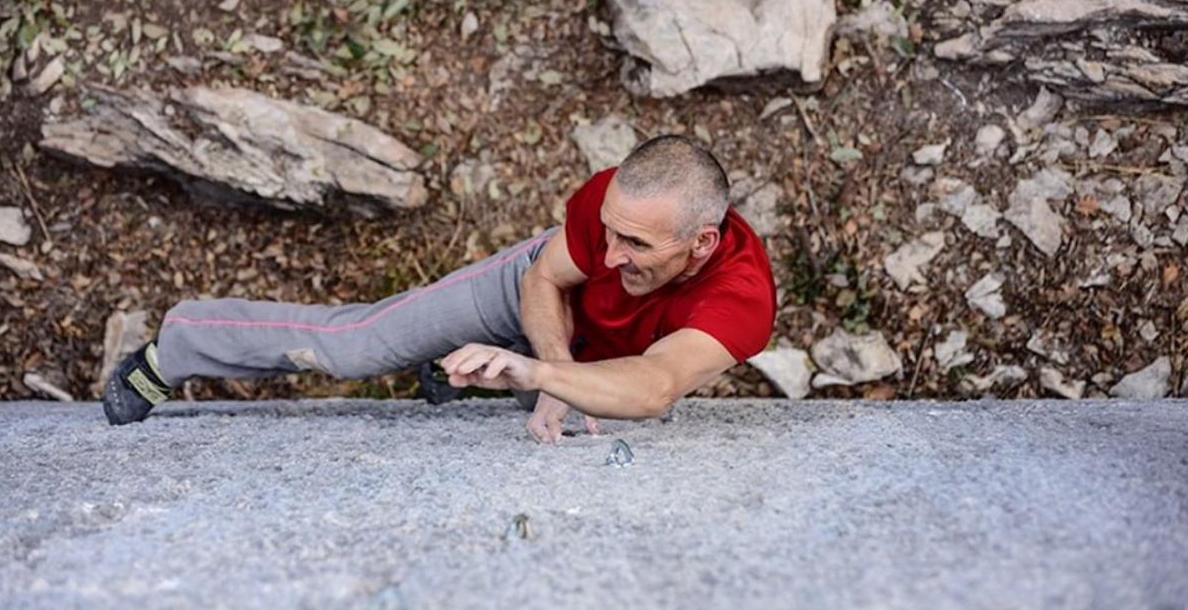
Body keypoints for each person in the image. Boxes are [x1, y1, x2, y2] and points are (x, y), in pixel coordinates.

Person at [103, 135, 778, 443]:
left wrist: (544, 373)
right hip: (533, 296)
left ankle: (463, 364)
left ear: (702, 242)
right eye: (607, 233)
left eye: (634, 245)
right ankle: (181, 345)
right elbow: (548, 274)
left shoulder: (740, 299)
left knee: (603, 410)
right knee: (355, 349)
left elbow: (655, 387)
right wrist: (551, 373)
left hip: (598, 351)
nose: (608, 254)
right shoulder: (615, 205)